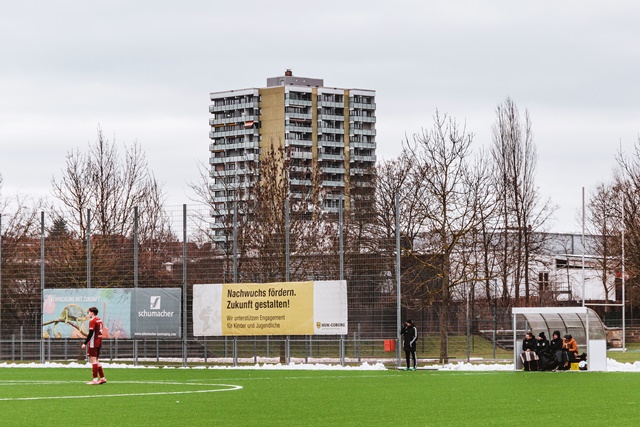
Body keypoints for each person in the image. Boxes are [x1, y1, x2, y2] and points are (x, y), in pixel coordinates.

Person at [81, 307, 107, 385]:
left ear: (92, 313)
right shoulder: (99, 320)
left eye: (89, 312)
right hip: (99, 342)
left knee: (93, 361)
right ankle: (102, 378)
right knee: (96, 360)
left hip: (93, 343)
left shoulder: (92, 321)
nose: (88, 314)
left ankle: (95, 380)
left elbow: (91, 333)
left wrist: (85, 343)